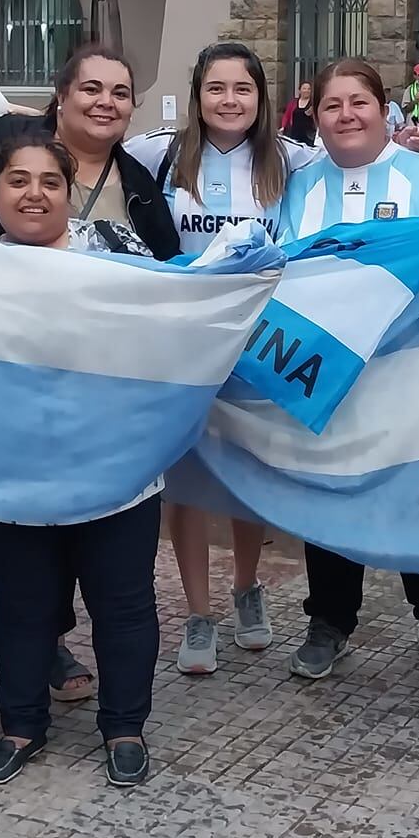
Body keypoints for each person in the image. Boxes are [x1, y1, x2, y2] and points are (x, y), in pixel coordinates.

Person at [0, 44, 182, 707]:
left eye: (120, 93)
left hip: (88, 409)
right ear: (60, 97)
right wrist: (36, 256)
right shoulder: (8, 146)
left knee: (58, 544)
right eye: (91, 88)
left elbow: (168, 279)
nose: (106, 102)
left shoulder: (139, 185)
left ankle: (46, 650)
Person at [281, 57, 419, 681]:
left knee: (418, 491)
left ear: (384, 108)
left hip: (413, 371)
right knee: (329, 490)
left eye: (358, 103)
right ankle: (330, 620)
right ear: (315, 116)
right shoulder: (300, 185)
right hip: (329, 370)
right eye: (332, 105)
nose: (346, 115)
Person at [0, 135, 164, 789]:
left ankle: (124, 727)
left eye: (49, 182)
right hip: (12, 475)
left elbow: (177, 313)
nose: (34, 193)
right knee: (24, 608)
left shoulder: (114, 246)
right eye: (18, 181)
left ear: (68, 191)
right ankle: (21, 724)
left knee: (124, 604)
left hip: (118, 470)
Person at [126, 42, 320, 674]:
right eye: (216, 89)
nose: (229, 101)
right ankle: (199, 614)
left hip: (260, 341)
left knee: (245, 472)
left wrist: (411, 148)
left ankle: (246, 589)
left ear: (261, 97)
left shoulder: (291, 159)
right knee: (186, 482)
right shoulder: (161, 153)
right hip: (185, 341)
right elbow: (84, 154)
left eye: (242, 89)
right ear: (197, 95)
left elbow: (359, 169)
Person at [281, 79, 317, 145]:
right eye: (304, 88)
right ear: (300, 91)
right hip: (295, 134)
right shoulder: (293, 103)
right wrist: (283, 127)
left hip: (309, 136)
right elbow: (286, 116)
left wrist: (313, 113)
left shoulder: (313, 103)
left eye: (309, 89)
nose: (306, 90)